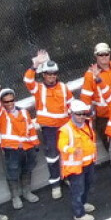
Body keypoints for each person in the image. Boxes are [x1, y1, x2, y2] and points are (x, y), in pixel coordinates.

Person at [22, 56, 71, 198]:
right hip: (49, 129)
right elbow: (28, 80)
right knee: (52, 157)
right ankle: (55, 185)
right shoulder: (38, 88)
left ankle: (67, 177)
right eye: (49, 74)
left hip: (65, 127)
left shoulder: (63, 87)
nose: (52, 76)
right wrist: (34, 65)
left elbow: (71, 103)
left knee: (67, 153)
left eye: (54, 73)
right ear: (43, 75)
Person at [0, 87, 40, 209]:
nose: (10, 103)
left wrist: (35, 143)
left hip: (28, 148)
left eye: (12, 100)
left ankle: (27, 192)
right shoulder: (1, 115)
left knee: (27, 169)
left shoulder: (23, 112)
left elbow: (31, 129)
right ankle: (15, 196)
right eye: (6, 101)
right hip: (12, 150)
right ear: (2, 102)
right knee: (13, 172)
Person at [59, 100, 99, 220]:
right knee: (77, 190)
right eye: (78, 114)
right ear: (71, 114)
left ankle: (83, 203)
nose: (81, 116)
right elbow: (61, 146)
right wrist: (72, 150)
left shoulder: (87, 124)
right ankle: (79, 214)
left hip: (88, 163)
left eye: (83, 113)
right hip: (75, 168)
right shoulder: (66, 130)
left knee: (87, 185)